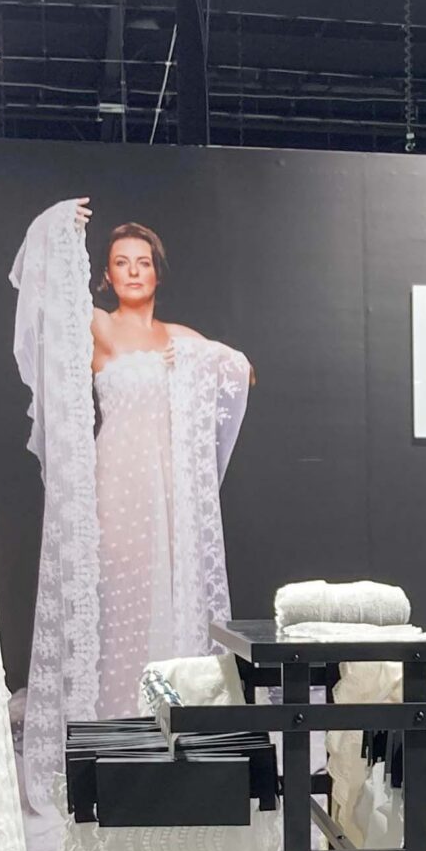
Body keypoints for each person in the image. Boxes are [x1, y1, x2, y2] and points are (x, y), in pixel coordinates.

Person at [70, 202, 255, 713]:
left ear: (157, 273)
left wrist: (198, 356)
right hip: (118, 483)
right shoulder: (99, 327)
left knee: (169, 593)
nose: (133, 271)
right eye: (121, 262)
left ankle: (170, 712)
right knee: (119, 594)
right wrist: (64, 234)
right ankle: (117, 712)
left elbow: (245, 373)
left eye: (143, 262)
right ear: (107, 275)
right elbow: (49, 301)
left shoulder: (180, 338)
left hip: (170, 488)